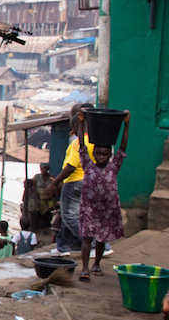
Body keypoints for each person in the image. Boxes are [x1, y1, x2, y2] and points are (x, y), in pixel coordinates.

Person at [77, 109, 130, 281]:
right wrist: (81, 122)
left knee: (101, 240)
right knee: (86, 239)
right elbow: (81, 145)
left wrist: (126, 125)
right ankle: (84, 268)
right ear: (93, 154)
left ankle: (97, 263)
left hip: (106, 211)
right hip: (89, 210)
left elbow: (122, 146)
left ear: (109, 155)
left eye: (105, 154)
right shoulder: (88, 165)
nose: (101, 156)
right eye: (98, 153)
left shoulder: (114, 166)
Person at [49, 103, 94, 253]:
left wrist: (55, 182)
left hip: (74, 182)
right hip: (87, 181)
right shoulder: (94, 140)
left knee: (69, 216)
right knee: (69, 214)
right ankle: (63, 246)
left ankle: (94, 243)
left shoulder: (78, 143)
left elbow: (71, 166)